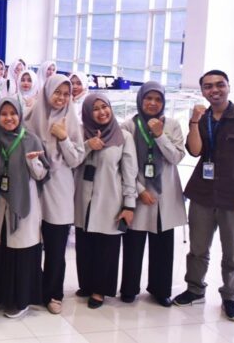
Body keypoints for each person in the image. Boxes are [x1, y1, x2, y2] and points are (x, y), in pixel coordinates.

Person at [172, 70, 234, 322]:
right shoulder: (202, 119)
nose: (214, 90)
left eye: (219, 85)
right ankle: (194, 289)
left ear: (228, 87)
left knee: (232, 253)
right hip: (202, 193)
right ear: (203, 91)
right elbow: (195, 151)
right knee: (197, 249)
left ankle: (230, 297)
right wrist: (193, 122)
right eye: (208, 86)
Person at [119, 82, 186, 307]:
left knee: (163, 246)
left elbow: (176, 157)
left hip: (165, 194)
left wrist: (159, 135)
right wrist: (140, 191)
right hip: (138, 192)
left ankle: (160, 289)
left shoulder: (172, 125)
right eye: (148, 98)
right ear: (141, 99)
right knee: (133, 244)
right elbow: (124, 164)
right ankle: (129, 289)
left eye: (158, 99)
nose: (152, 103)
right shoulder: (129, 126)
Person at [25, 74, 85, 314]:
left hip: (60, 190)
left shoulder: (72, 121)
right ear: (47, 92)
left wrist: (64, 138)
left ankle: (53, 293)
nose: (61, 98)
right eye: (57, 92)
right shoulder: (30, 118)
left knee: (56, 247)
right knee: (30, 244)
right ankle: (32, 289)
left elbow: (76, 159)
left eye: (66, 94)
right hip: (33, 187)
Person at [75, 93, 138, 309]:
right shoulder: (80, 133)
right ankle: (86, 284)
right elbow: (71, 161)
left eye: (105, 107)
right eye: (96, 109)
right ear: (87, 112)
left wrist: (129, 205)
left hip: (110, 200)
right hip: (83, 200)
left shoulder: (123, 136)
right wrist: (88, 145)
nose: (102, 112)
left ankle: (100, 290)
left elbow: (130, 173)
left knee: (106, 248)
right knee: (85, 244)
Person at [0, 97, 47, 318]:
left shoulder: (31, 139)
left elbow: (42, 174)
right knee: (0, 247)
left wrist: (33, 162)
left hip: (23, 204)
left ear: (20, 115)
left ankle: (20, 300)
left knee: (21, 252)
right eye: (4, 114)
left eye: (13, 113)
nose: (9, 118)